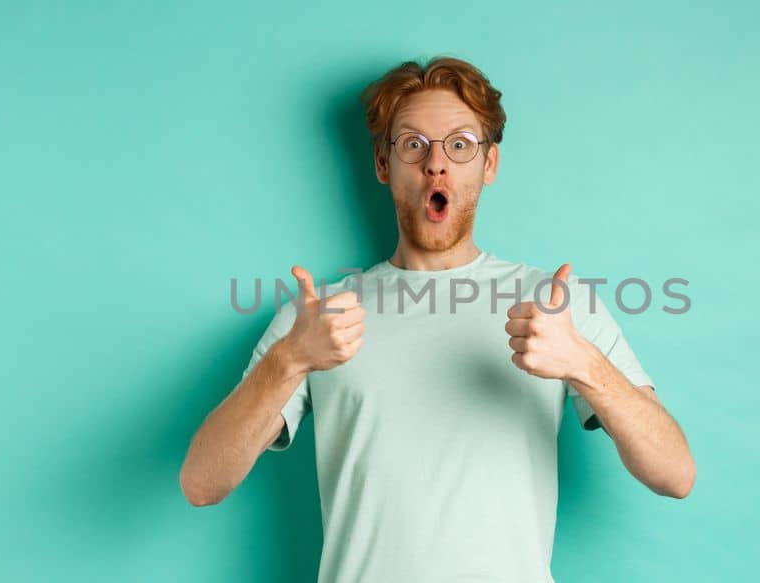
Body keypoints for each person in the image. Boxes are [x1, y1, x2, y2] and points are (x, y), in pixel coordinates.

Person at [179, 56, 695, 583]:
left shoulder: (555, 303)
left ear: (488, 164)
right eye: (413, 145)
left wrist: (584, 363)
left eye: (460, 144)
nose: (436, 164)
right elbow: (202, 482)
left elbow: (675, 474)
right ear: (384, 164)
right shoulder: (316, 316)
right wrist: (289, 359)